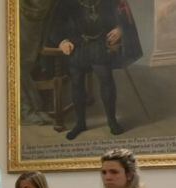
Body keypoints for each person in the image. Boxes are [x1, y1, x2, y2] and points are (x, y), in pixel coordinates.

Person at [49, 0, 142, 140]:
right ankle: (80, 123)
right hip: (76, 47)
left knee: (106, 81)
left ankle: (112, 121)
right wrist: (62, 41)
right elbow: (55, 24)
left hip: (99, 46)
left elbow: (123, 15)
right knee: (77, 84)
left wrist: (120, 28)